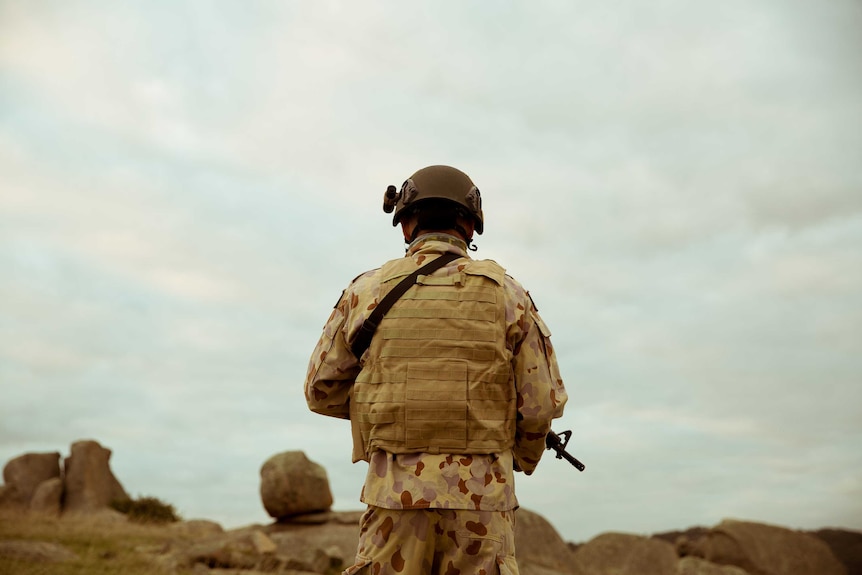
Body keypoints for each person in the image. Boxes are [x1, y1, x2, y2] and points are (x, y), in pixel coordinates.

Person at [304, 165, 568, 575]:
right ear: (470, 224)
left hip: (395, 498)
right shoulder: (508, 294)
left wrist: (383, 403)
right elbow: (539, 406)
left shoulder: (365, 292)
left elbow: (320, 390)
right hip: (482, 504)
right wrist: (516, 456)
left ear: (406, 223)